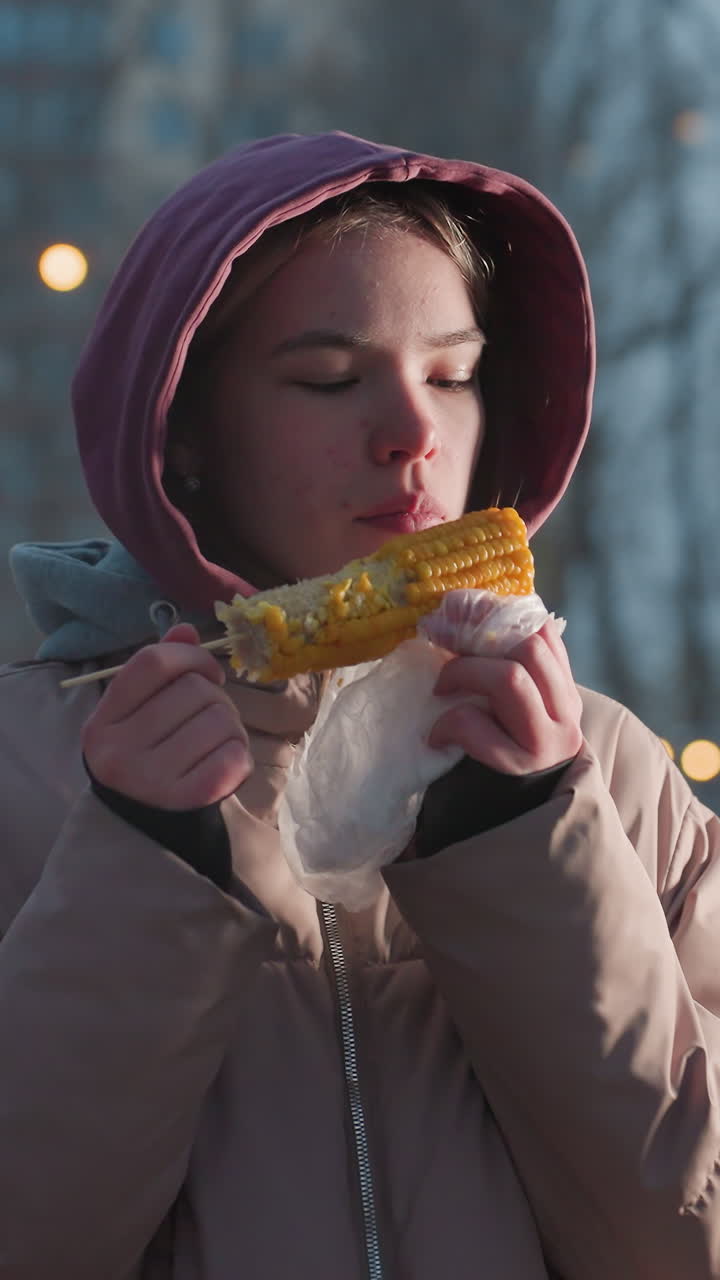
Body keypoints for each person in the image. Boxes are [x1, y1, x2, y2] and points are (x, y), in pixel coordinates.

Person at [1, 131, 719, 1280]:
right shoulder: (29, 773)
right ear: (181, 432)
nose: (414, 432)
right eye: (330, 379)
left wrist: (530, 833)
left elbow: (688, 1241)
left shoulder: (616, 774)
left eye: (453, 373)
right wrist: (144, 861)